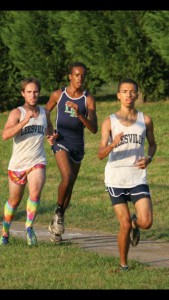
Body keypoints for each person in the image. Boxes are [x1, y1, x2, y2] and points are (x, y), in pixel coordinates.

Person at [98, 78, 157, 271]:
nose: (129, 95)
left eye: (132, 91)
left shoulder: (145, 120)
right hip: (116, 179)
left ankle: (135, 222)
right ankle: (123, 265)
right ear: (118, 95)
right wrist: (113, 144)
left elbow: (153, 145)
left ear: (137, 95)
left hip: (137, 177)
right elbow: (100, 154)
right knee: (124, 225)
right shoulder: (110, 121)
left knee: (146, 222)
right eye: (124, 91)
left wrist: (148, 157)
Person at [45, 61, 98, 243]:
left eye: (83, 76)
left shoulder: (88, 99)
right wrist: (49, 131)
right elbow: (45, 111)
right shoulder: (58, 95)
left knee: (70, 186)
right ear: (70, 76)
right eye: (76, 75)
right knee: (66, 176)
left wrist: (80, 115)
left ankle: (57, 226)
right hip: (61, 141)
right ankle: (59, 211)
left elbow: (94, 128)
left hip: (78, 146)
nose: (80, 79)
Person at [0, 77, 54, 246]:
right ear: (23, 94)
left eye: (36, 92)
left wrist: (51, 137)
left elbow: (49, 128)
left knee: (35, 193)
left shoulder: (45, 112)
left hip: (37, 161)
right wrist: (25, 121)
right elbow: (5, 135)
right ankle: (5, 231)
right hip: (17, 165)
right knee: (14, 201)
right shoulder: (17, 113)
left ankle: (29, 228)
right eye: (29, 92)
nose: (33, 95)